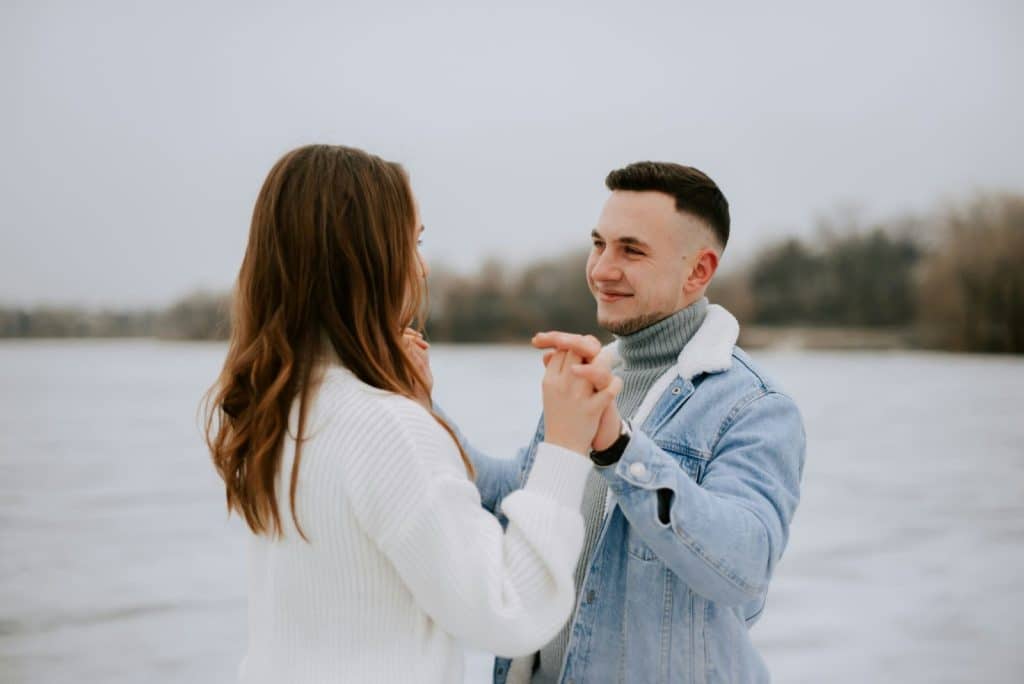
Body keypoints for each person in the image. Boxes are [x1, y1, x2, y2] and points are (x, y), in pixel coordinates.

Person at [203, 144, 622, 683]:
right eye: (413, 242)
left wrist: (411, 402)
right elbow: (509, 610)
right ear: (366, 259)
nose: (421, 266)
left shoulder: (278, 407)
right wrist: (565, 446)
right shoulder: (384, 428)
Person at [440, 162, 806, 683]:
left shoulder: (755, 406)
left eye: (631, 250)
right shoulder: (592, 376)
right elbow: (519, 492)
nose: (601, 270)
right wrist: (416, 401)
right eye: (599, 244)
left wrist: (618, 448)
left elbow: (745, 572)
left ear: (698, 271)